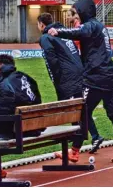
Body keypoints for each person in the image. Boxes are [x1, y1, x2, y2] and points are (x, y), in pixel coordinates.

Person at [48, 0, 113, 163]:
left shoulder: (91, 25)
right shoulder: (100, 26)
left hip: (95, 77)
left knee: (82, 113)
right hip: (110, 75)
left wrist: (58, 32)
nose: (75, 15)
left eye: (77, 12)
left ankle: (74, 151)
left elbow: (79, 32)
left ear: (84, 11)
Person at [0, 55, 42, 181]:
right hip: (35, 127)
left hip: (18, 130)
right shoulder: (24, 77)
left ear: (1, 68)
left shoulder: (4, 85)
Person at [37, 13, 88, 160]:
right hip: (79, 73)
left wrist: (57, 80)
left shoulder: (46, 38)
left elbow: (51, 60)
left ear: (41, 24)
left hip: (67, 78)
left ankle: (74, 149)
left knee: (75, 113)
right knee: (79, 111)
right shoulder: (64, 32)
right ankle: (76, 149)